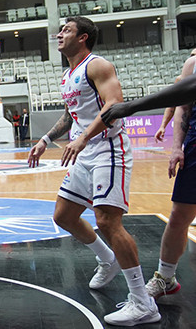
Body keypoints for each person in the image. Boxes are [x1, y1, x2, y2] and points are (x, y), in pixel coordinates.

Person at [27, 16, 159, 326]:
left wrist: (84, 137)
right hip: (85, 151)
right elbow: (70, 116)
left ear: (83, 37)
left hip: (108, 149)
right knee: (63, 216)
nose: (59, 34)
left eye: (67, 30)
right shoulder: (68, 75)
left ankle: (143, 303)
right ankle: (107, 259)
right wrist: (45, 140)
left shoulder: (98, 65)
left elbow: (114, 104)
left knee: (108, 220)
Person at [101, 50, 196, 297]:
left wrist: (133, 106)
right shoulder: (192, 64)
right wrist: (177, 146)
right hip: (195, 143)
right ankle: (165, 278)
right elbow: (183, 105)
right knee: (180, 215)